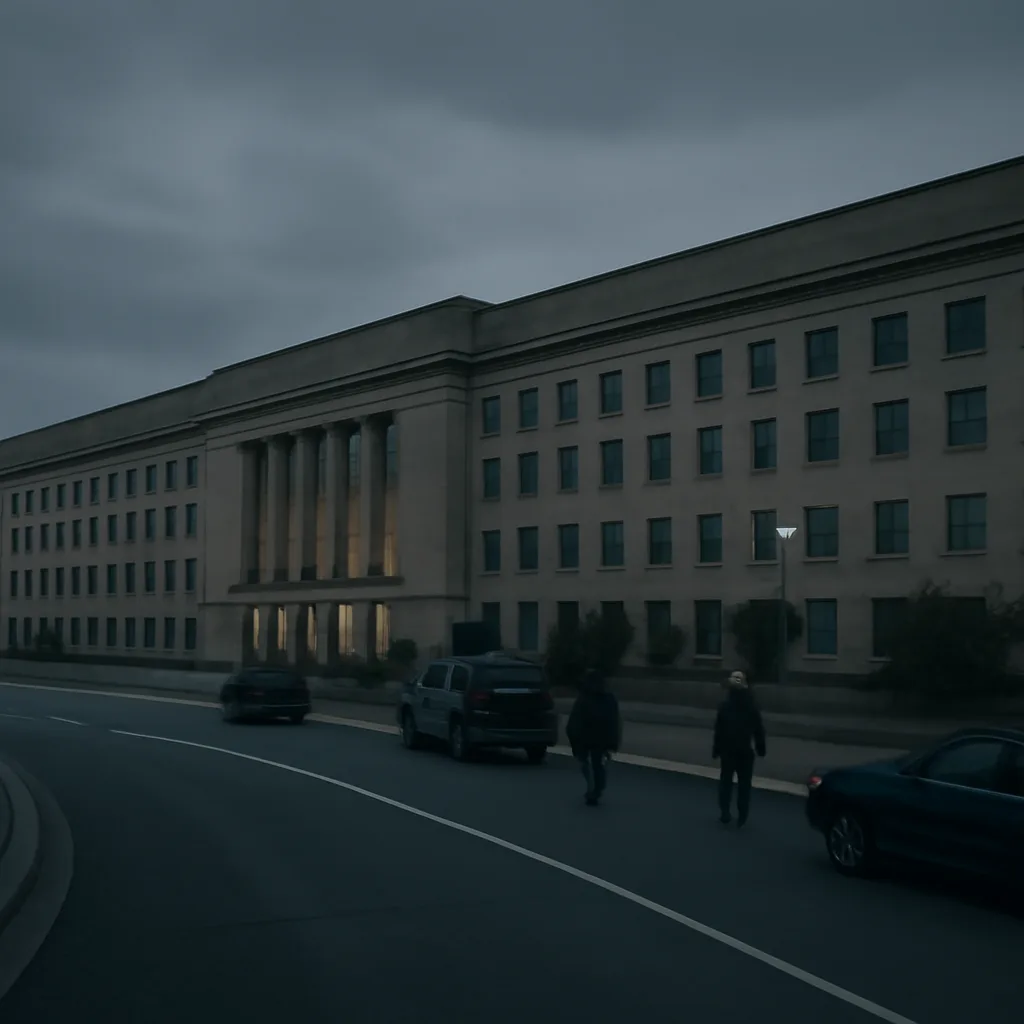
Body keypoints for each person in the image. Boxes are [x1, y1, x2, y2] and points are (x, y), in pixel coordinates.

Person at [712, 670, 766, 827]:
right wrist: (760, 748)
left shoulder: (725, 706)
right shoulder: (752, 706)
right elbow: (758, 729)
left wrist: (716, 750)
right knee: (744, 785)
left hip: (728, 750)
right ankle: (742, 814)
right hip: (745, 751)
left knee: (726, 783)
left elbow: (719, 730)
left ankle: (725, 812)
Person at [565, 669, 622, 806]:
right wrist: (613, 742)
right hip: (602, 738)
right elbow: (615, 721)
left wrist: (574, 741)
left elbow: (574, 721)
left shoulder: (584, 698)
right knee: (598, 764)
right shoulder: (609, 699)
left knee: (584, 762)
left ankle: (591, 785)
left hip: (584, 737)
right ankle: (597, 787)